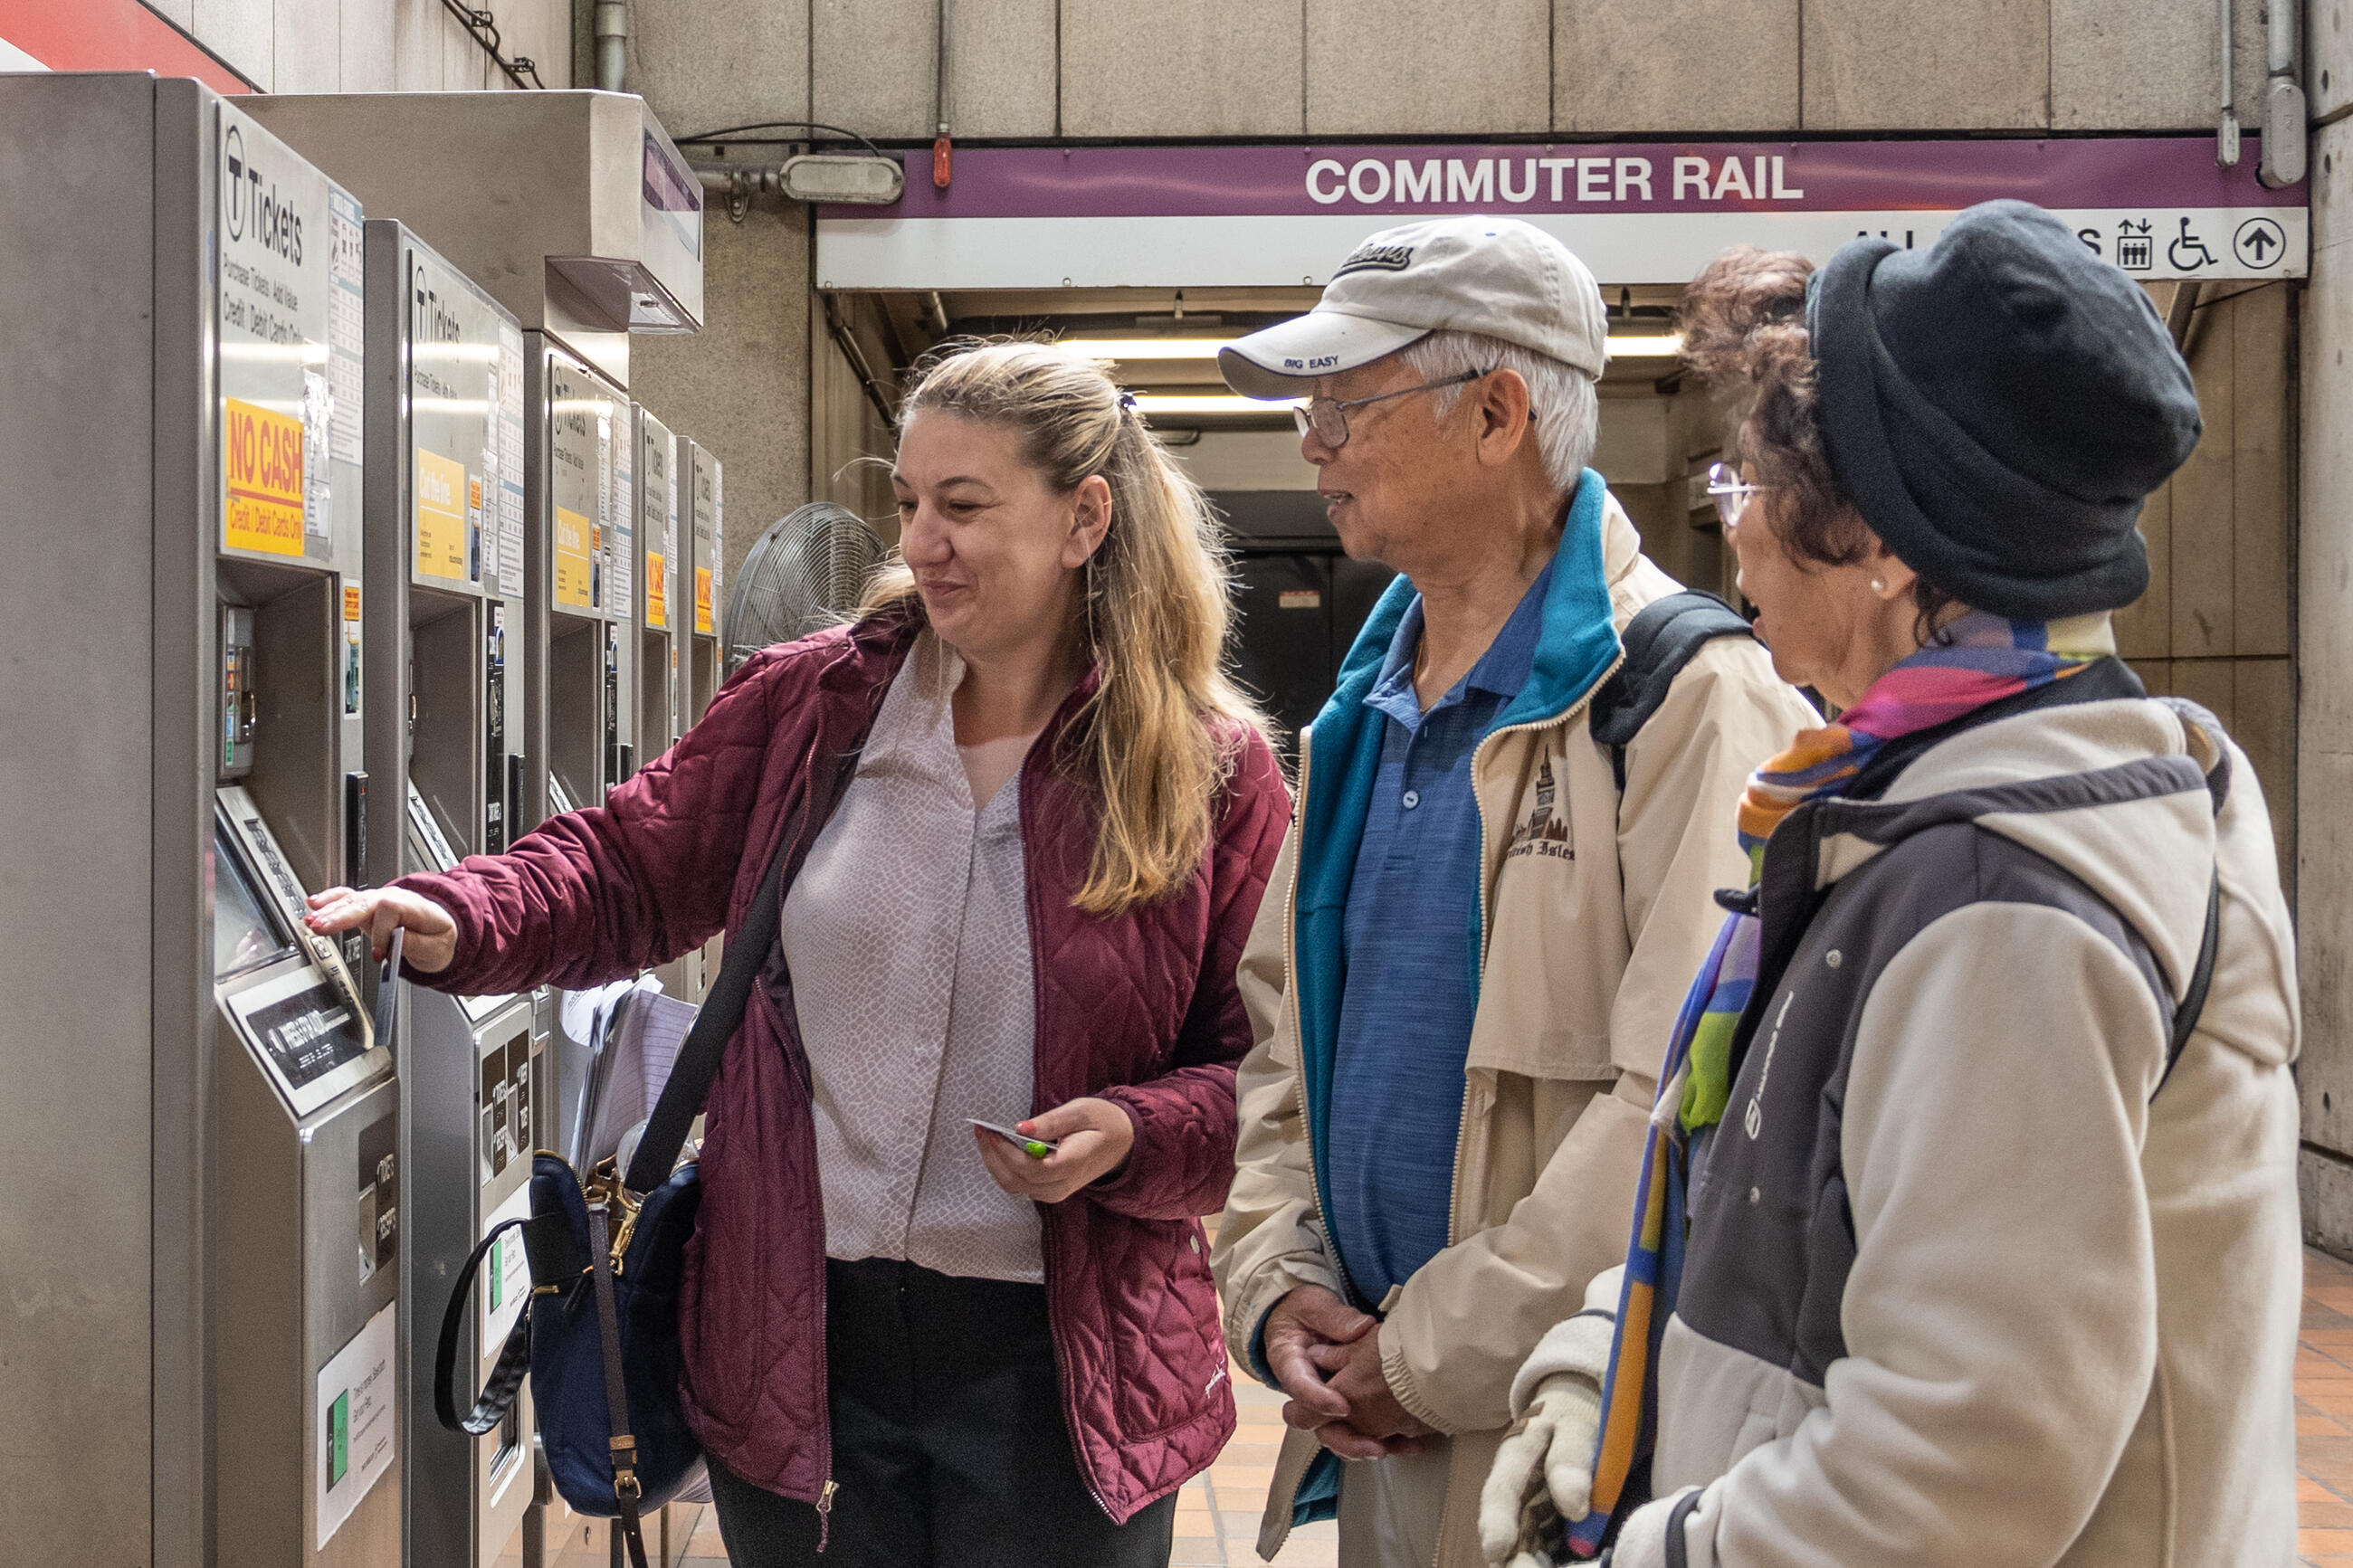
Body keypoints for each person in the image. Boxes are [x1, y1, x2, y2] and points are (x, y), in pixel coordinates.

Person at [304, 341, 1292, 1568]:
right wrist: (462, 914)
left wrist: (1136, 1135)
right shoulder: (813, 708)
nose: (922, 541)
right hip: (799, 1348)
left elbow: (1264, 1080)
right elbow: (629, 861)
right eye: (911, 503)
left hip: (1068, 1369)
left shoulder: (1204, 771)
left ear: (1085, 517)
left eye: (965, 505)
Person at [1484, 203, 2301, 1568]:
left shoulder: (1998, 895)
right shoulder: (2001, 788)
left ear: (1881, 546)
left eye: (1739, 492)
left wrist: (1663, 1549)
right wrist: (1601, 1360)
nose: (1728, 540)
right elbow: (1783, 1212)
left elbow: (1959, 1459)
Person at [1206, 215, 1819, 1568]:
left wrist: (1418, 1357)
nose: (1312, 440)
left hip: (1572, 1438)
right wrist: (1279, 1281)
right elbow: (1279, 1048)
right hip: (1376, 1426)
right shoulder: (1357, 716)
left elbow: (1677, 1107)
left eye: (1344, 404)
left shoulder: (1685, 699)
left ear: (1496, 414)